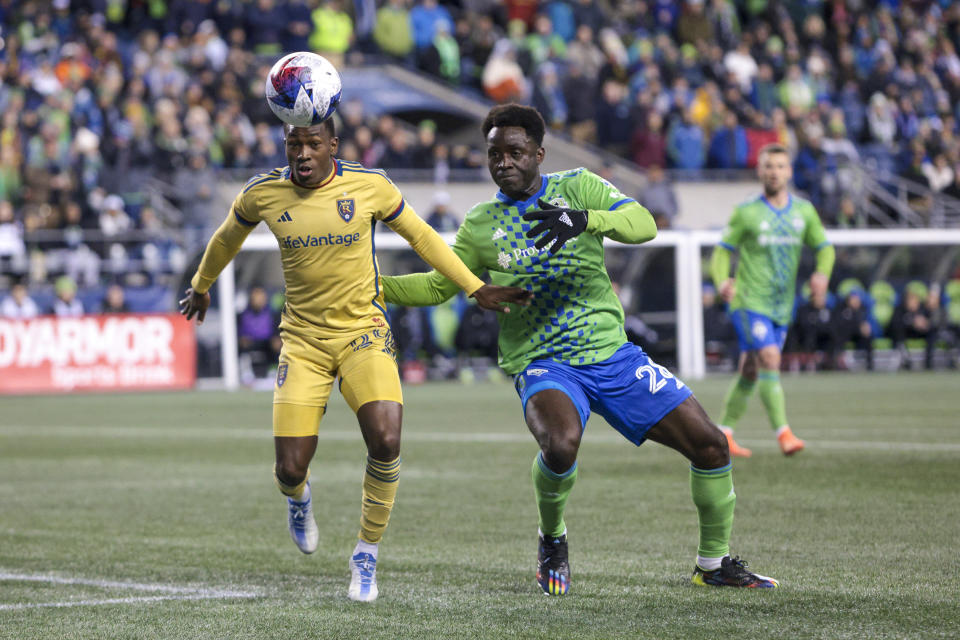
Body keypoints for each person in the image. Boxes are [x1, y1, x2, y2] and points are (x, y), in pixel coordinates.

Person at [383, 104, 779, 595]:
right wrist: (374, 286)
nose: (503, 162)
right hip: (544, 361)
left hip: (612, 355)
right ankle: (553, 538)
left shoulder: (577, 186)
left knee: (712, 445)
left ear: (539, 154)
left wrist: (585, 219)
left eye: (514, 152)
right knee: (561, 442)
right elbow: (439, 286)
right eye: (494, 154)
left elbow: (643, 224)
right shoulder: (482, 224)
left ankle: (712, 564)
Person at [179, 117, 530, 603]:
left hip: (364, 333)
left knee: (386, 439)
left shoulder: (370, 186)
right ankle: (299, 499)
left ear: (333, 146)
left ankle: (366, 553)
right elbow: (224, 240)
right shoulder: (262, 193)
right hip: (302, 342)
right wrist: (201, 286)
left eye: (313, 144)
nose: (302, 154)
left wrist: (475, 287)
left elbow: (424, 238)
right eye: (293, 144)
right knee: (288, 468)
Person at [710, 143, 835, 458]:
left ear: (789, 171)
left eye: (780, 166)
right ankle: (784, 433)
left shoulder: (803, 211)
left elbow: (825, 247)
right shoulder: (747, 211)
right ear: (759, 171)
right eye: (768, 166)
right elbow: (722, 251)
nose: (774, 172)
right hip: (748, 301)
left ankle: (724, 432)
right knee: (769, 358)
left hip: (782, 305)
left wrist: (822, 274)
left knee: (751, 369)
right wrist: (722, 280)